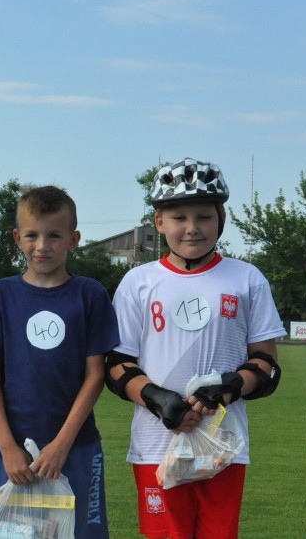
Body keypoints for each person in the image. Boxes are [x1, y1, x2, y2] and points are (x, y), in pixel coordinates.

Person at [106, 158, 287, 539]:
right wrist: (157, 399)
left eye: (204, 217)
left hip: (222, 445)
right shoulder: (138, 282)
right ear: (159, 223)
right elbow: (118, 364)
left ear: (221, 219)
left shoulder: (247, 278)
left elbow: (267, 365)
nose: (191, 228)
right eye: (178, 218)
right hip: (157, 445)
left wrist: (230, 386)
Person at [0, 185, 118, 538]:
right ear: (17, 238)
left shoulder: (90, 294)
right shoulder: (0, 296)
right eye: (32, 235)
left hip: (76, 446)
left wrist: (62, 444)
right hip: (12, 452)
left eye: (54, 236)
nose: (42, 246)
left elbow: (95, 375)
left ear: (73, 239)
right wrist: (6, 446)